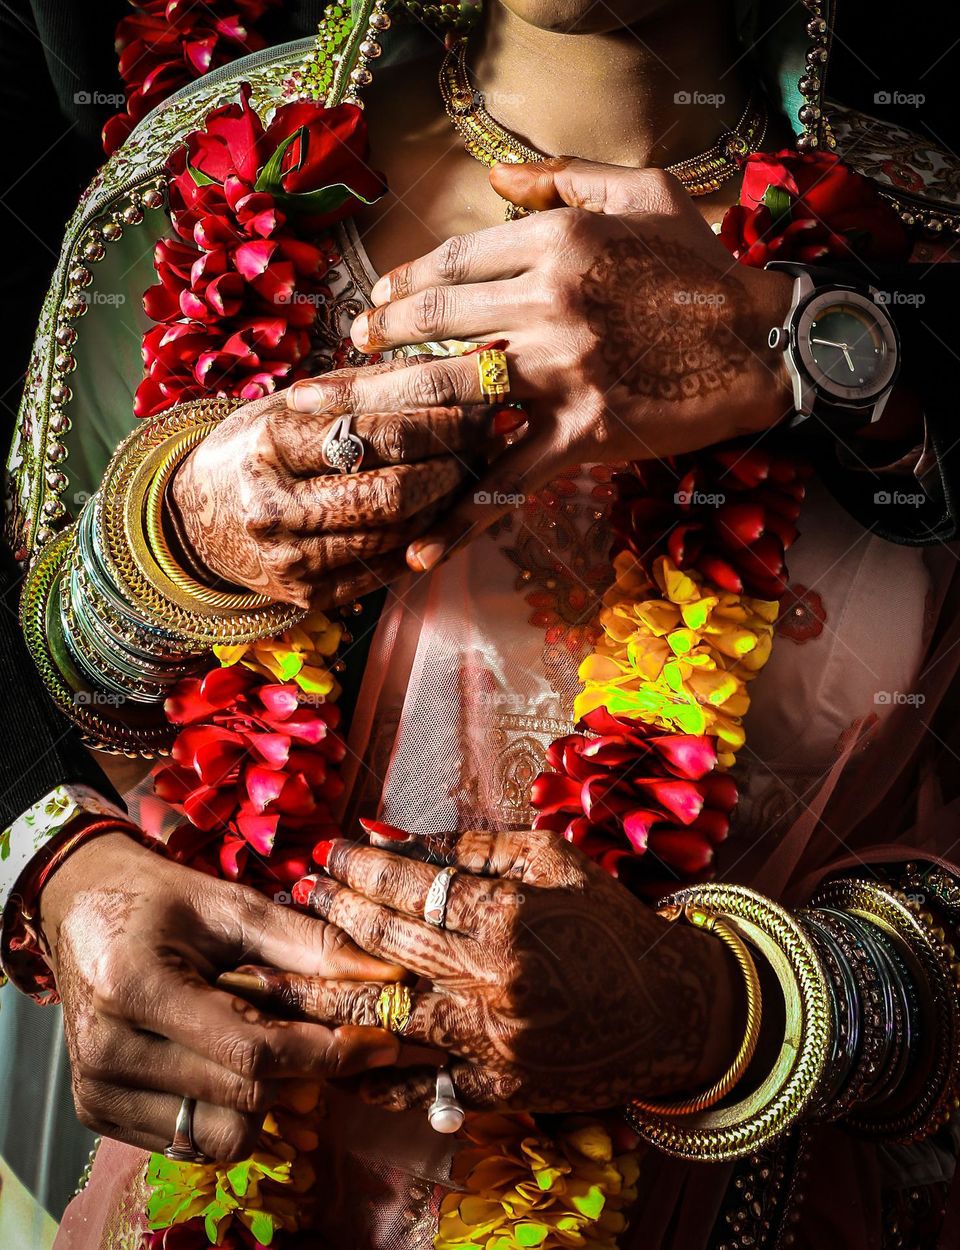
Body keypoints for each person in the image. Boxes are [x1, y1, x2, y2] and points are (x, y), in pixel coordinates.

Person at [4, 0, 960, 1248]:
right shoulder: (198, 183)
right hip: (226, 1197)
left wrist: (715, 1013)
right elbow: (72, 713)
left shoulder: (916, 273)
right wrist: (170, 552)